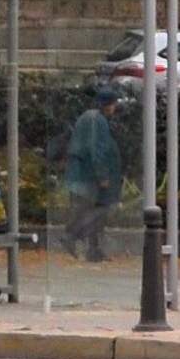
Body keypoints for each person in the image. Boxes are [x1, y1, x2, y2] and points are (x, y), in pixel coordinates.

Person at [58, 96, 124, 261]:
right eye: (113, 104)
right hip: (88, 175)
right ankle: (72, 235)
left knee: (91, 209)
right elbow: (97, 149)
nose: (115, 107)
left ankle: (92, 250)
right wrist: (102, 175)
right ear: (108, 105)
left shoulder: (89, 117)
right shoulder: (98, 121)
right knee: (98, 209)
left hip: (84, 173)